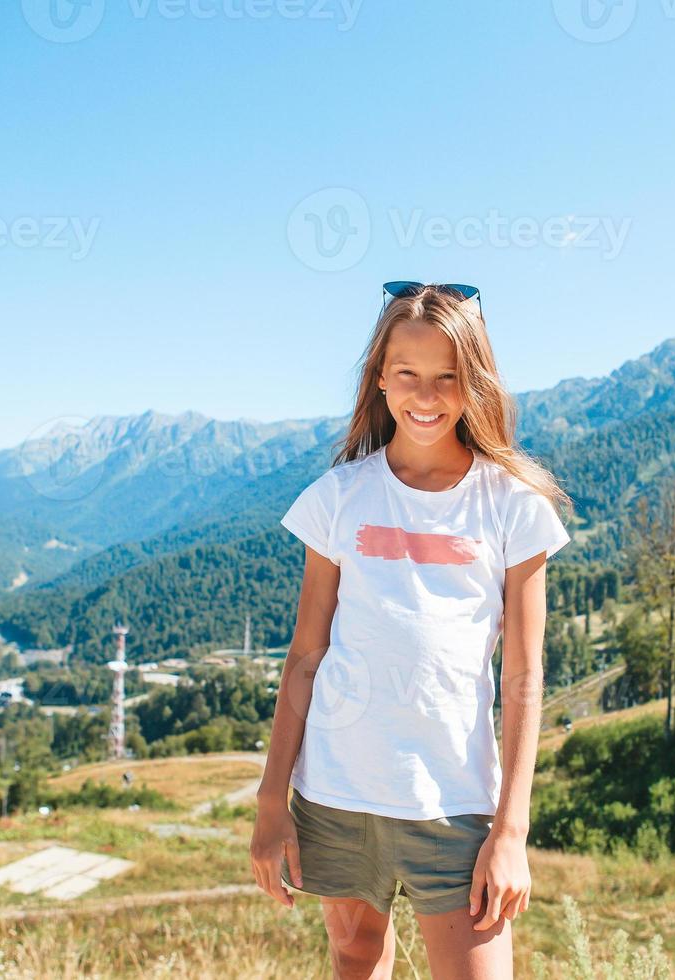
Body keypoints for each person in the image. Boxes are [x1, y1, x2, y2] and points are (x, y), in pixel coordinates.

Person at [249, 282, 573, 979]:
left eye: (447, 377)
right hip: (337, 789)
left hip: (454, 800)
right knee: (356, 955)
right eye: (408, 375)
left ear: (475, 383)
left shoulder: (514, 507)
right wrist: (271, 803)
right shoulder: (338, 497)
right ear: (379, 378)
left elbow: (523, 677)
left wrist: (511, 830)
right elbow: (305, 657)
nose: (426, 395)